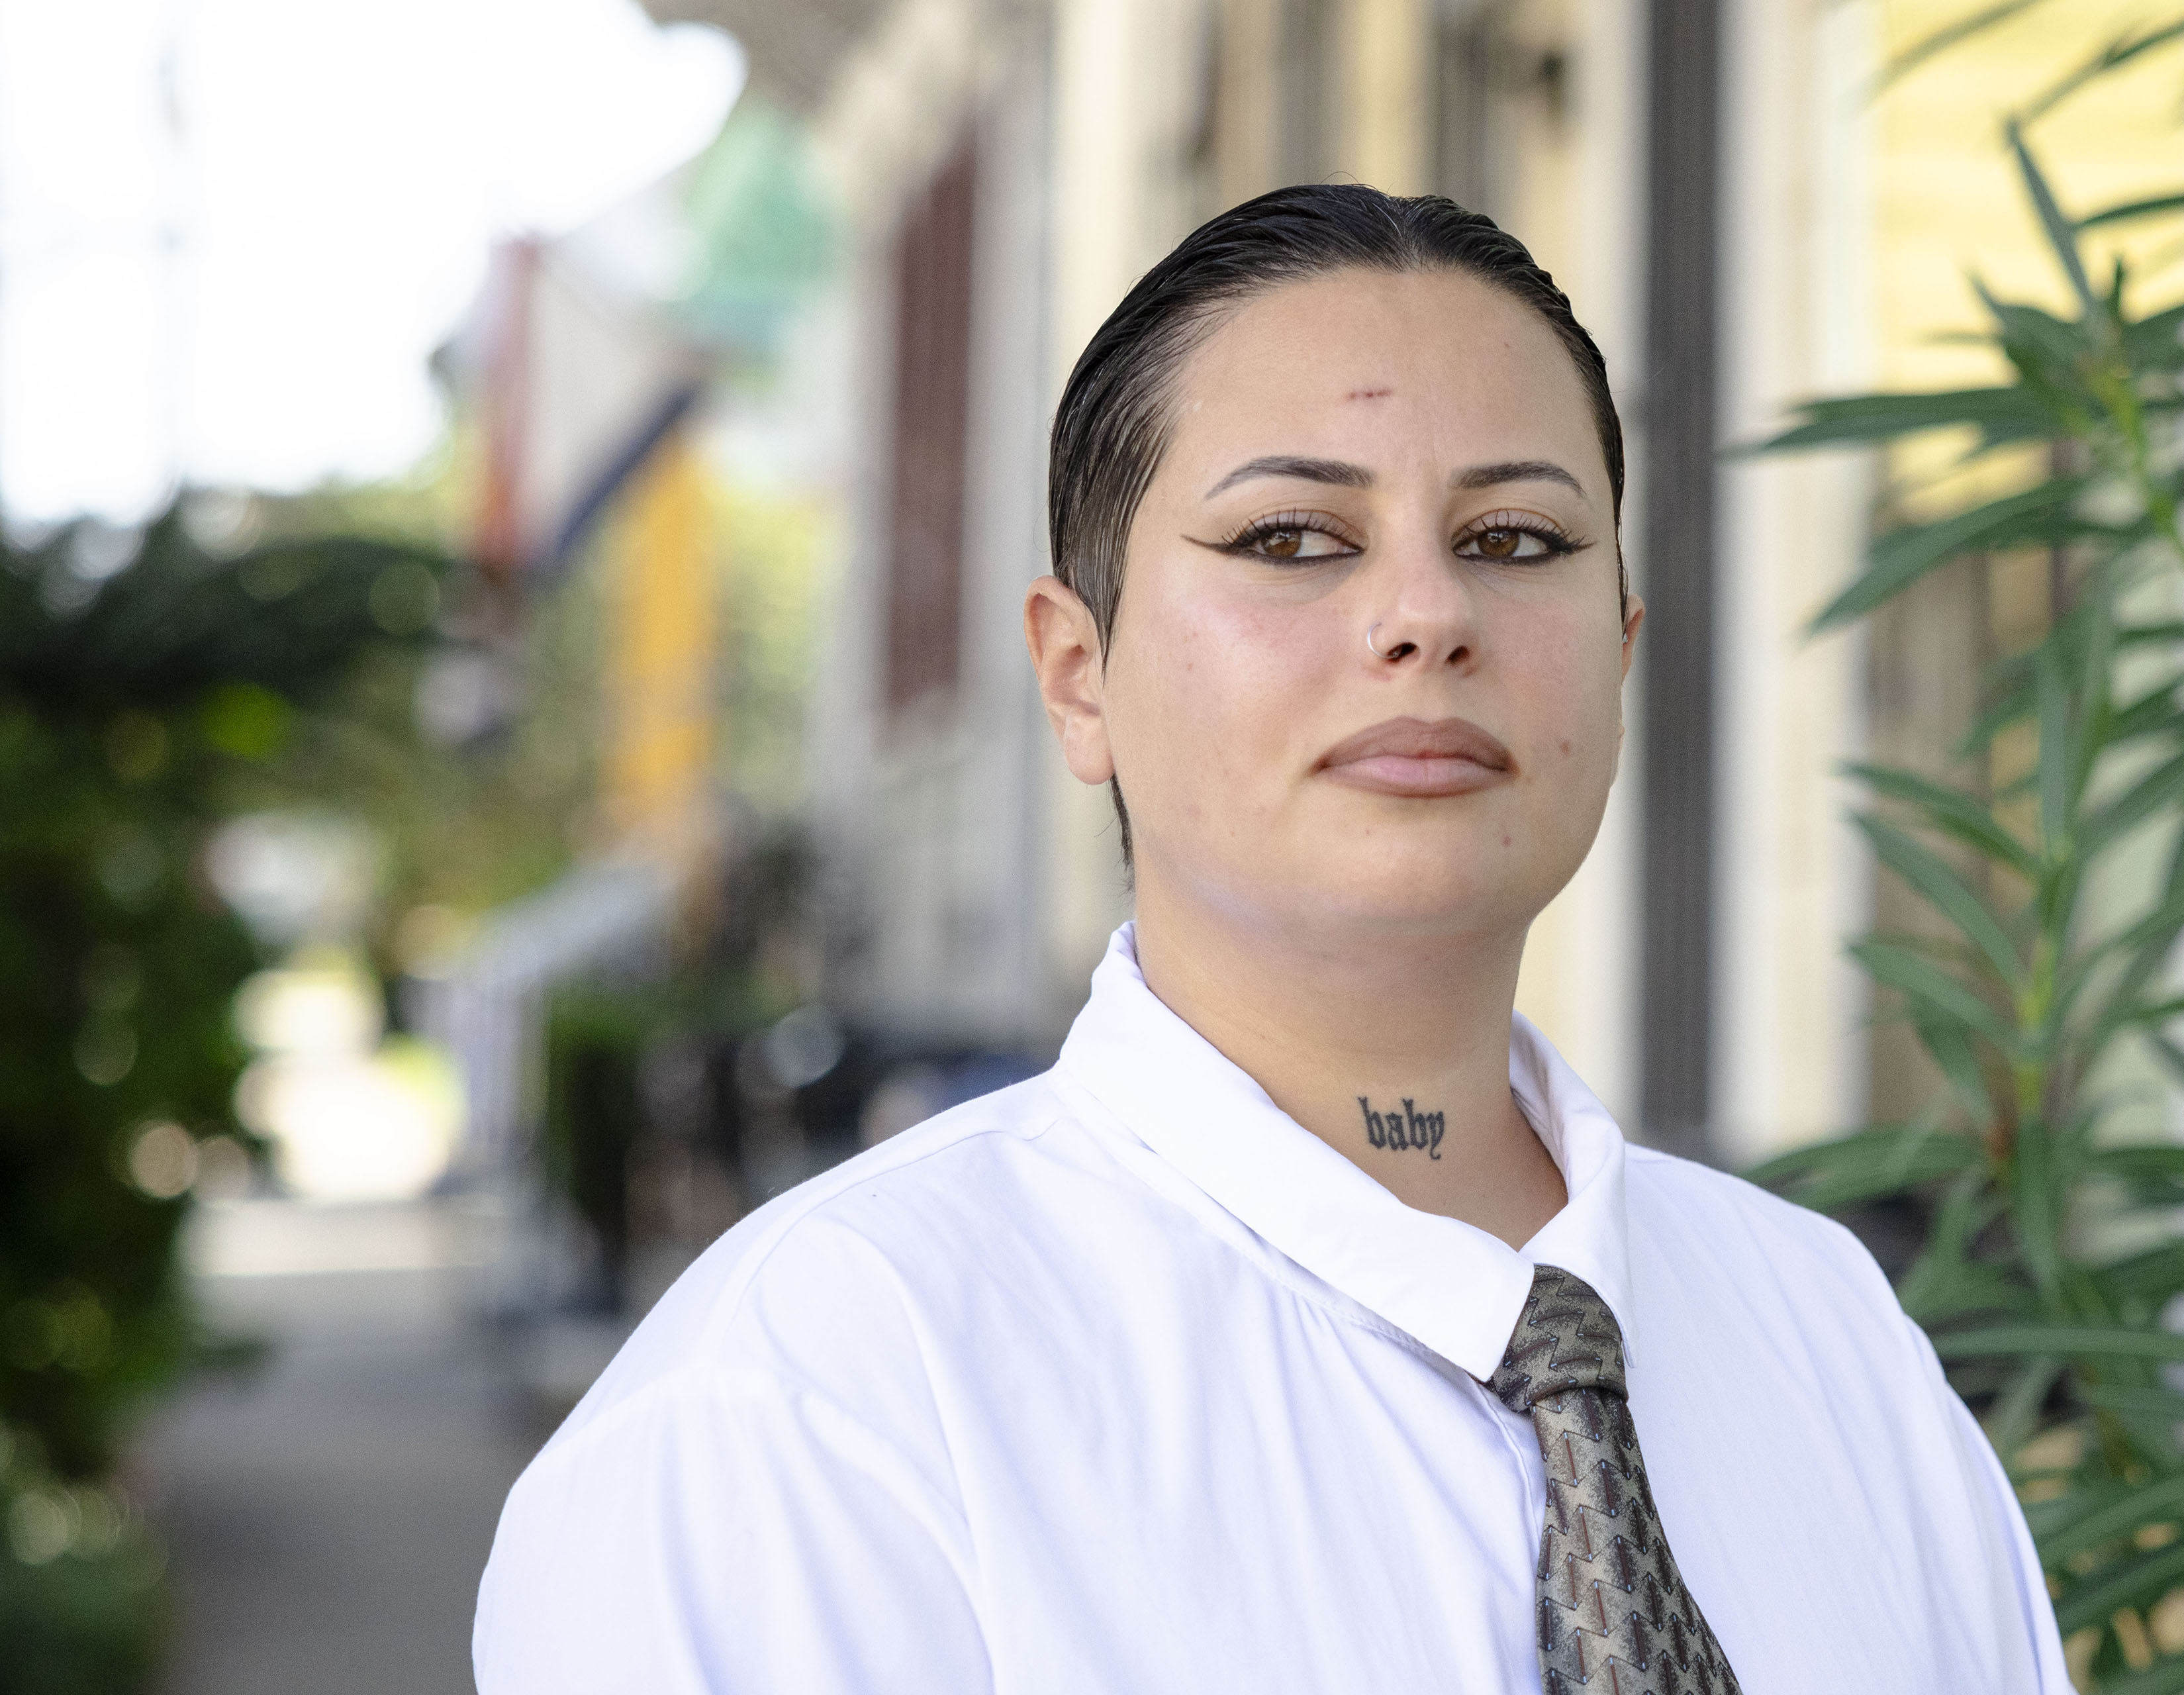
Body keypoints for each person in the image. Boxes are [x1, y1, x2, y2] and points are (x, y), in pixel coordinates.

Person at [473, 185, 2070, 1695]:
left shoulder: (1828, 1332)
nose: (1425, 615)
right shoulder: (814, 1406)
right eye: (1294, 539)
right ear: (1079, 671)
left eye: (1517, 539)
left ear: (1621, 655)